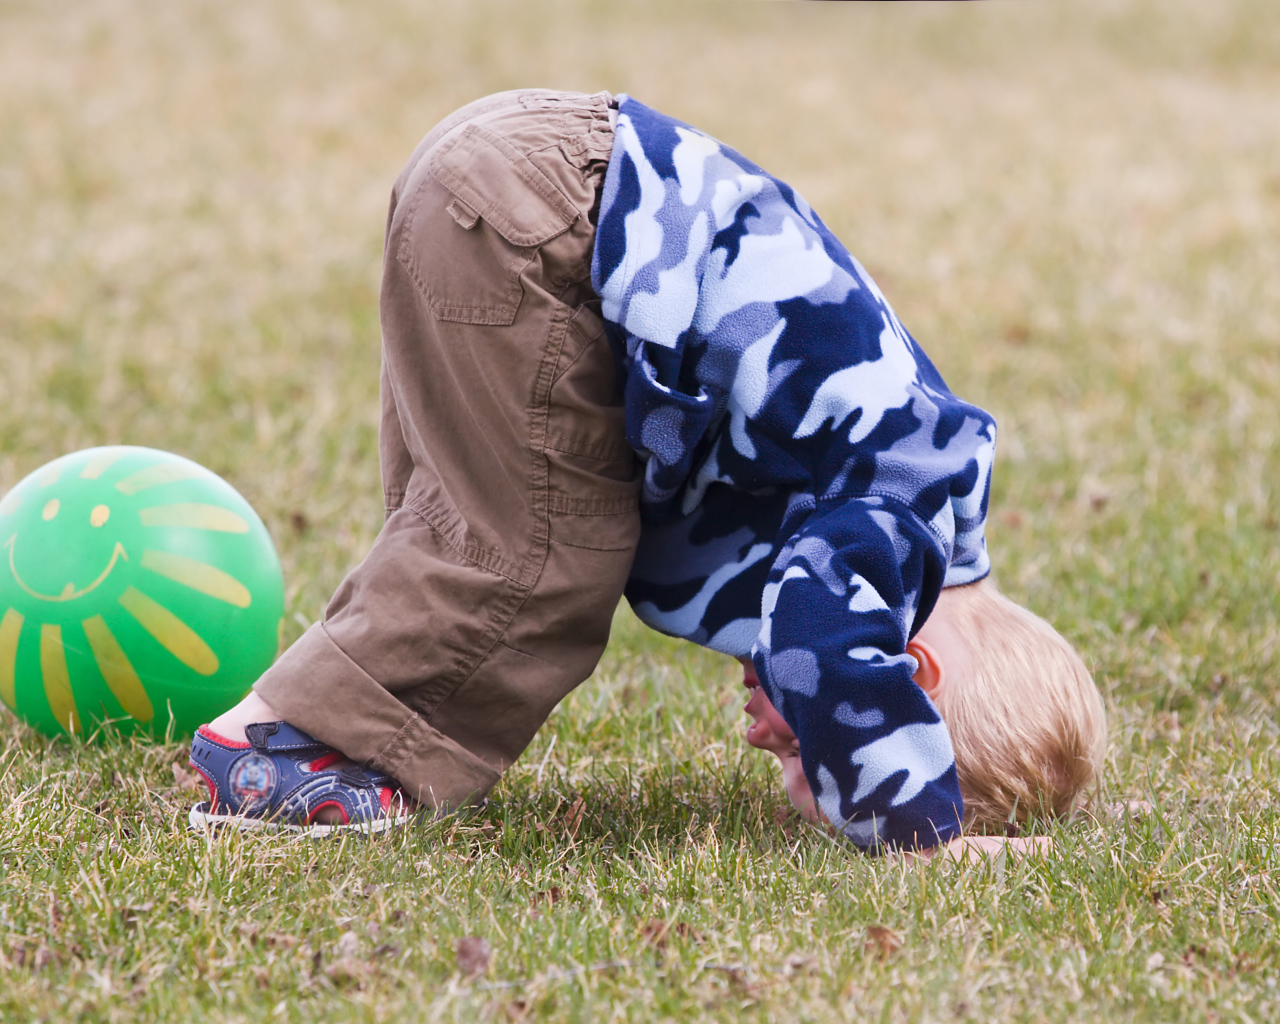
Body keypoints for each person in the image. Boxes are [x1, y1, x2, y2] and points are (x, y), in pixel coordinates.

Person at [186, 89, 1106, 854]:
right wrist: (919, 834)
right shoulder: (896, 521)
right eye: (803, 757)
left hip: (522, 175)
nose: (759, 741)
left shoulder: (917, 488)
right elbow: (818, 635)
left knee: (463, 521)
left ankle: (343, 736)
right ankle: (271, 747)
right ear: (905, 673)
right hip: (554, 225)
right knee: (542, 552)